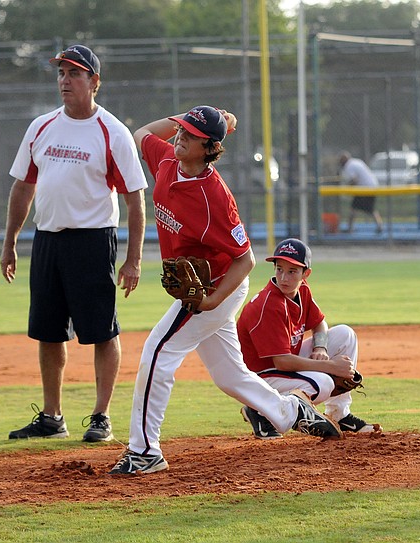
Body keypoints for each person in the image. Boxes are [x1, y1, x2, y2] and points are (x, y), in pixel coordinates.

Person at [109, 106, 341, 475]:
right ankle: (288, 410)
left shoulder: (215, 198)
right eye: (180, 130)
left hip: (219, 285)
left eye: (189, 134)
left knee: (158, 351)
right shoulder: (168, 160)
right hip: (207, 288)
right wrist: (190, 115)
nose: (179, 136)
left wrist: (213, 300)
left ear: (209, 147)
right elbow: (139, 134)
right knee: (229, 375)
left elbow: (246, 259)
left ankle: (144, 450)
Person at [0, 45, 148, 443]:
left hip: (93, 240)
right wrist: (10, 240)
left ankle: (100, 415)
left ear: (95, 82)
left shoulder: (112, 132)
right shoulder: (42, 126)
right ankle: (52, 416)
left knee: (101, 331)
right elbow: (23, 186)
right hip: (47, 240)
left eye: (75, 73)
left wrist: (133, 260)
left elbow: (135, 198)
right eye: (62, 73)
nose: (65, 80)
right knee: (48, 331)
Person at [236, 238, 380, 439]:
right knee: (322, 384)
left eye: (292, 271)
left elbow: (319, 323)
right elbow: (282, 361)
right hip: (260, 376)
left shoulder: (301, 290)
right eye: (279, 269)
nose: (284, 278)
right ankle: (261, 410)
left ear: (306, 274)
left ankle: (339, 414)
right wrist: (332, 367)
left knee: (345, 335)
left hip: (282, 364)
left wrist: (320, 348)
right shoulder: (270, 305)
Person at [339, 151, 383, 234]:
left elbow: (354, 180)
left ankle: (379, 226)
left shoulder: (349, 165)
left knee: (366, 208)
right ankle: (350, 228)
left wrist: (347, 187)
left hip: (366, 188)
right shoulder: (356, 161)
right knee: (355, 208)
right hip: (370, 186)